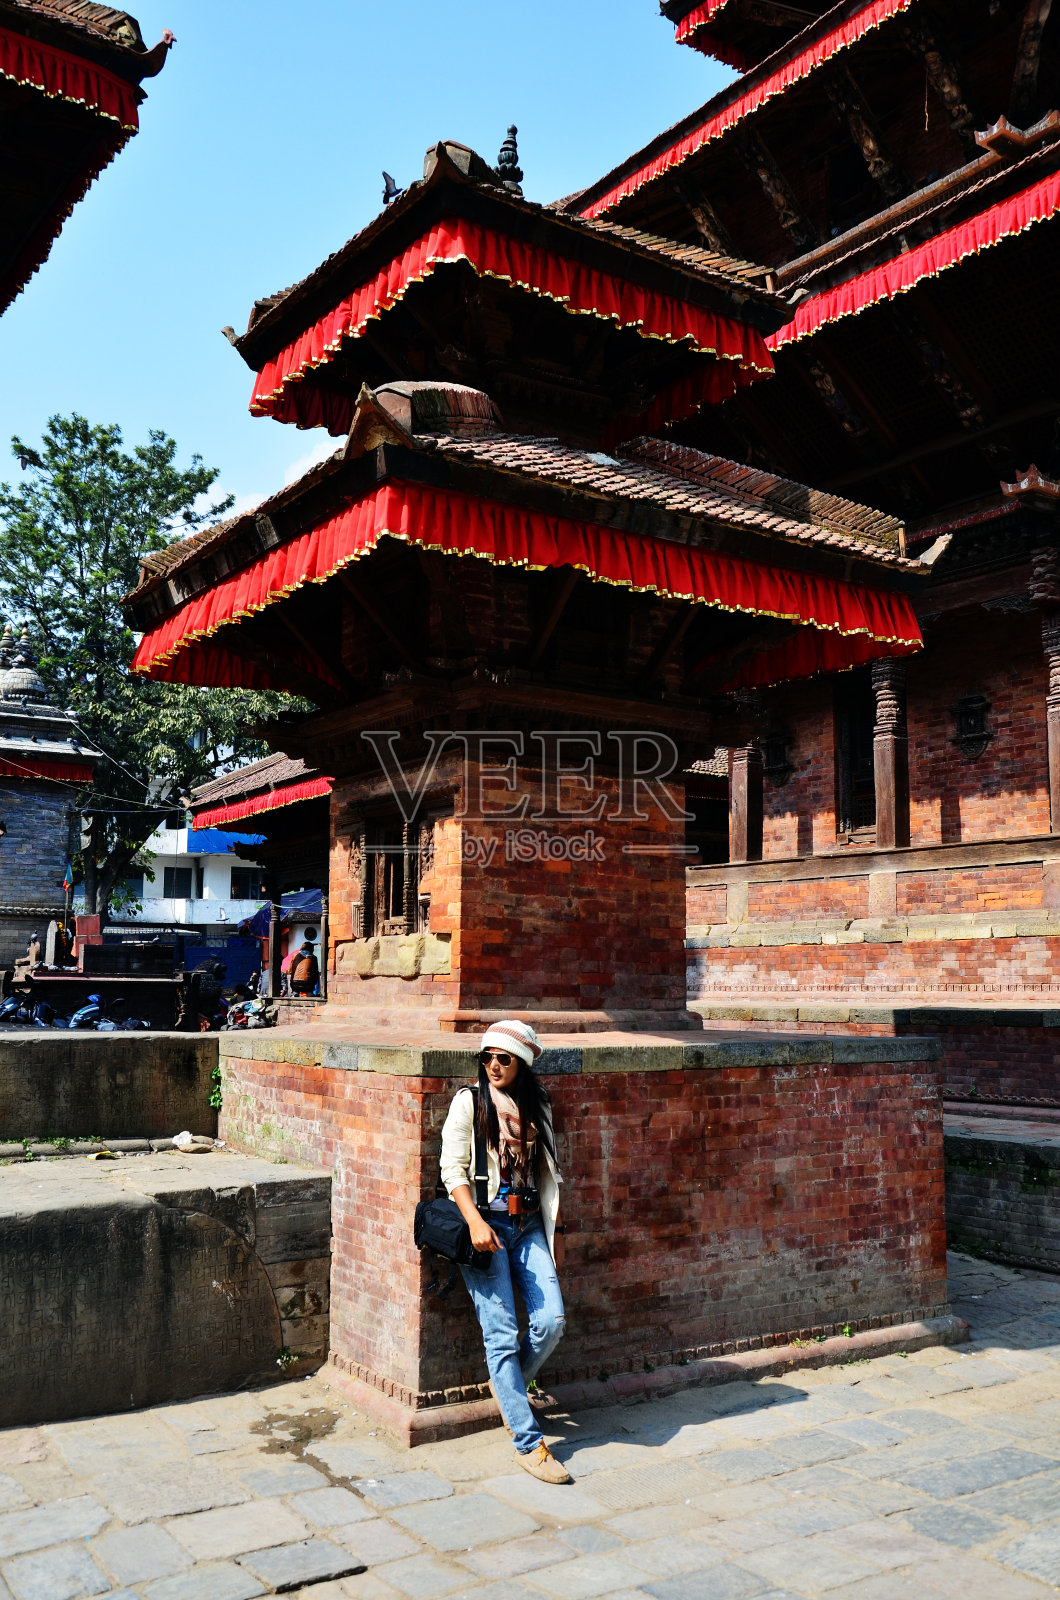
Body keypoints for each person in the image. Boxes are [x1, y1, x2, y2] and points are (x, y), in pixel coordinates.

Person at [439, 1019, 571, 1484]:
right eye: (487, 1057)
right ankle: (528, 1443)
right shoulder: (469, 1102)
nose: (493, 1066)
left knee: (551, 1322)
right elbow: (450, 1169)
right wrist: (474, 1221)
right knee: (500, 1333)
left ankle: (507, 1383)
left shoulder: (538, 1104)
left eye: (504, 1059)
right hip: (487, 1224)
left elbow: (548, 1167)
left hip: (529, 1222)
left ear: (523, 1064)